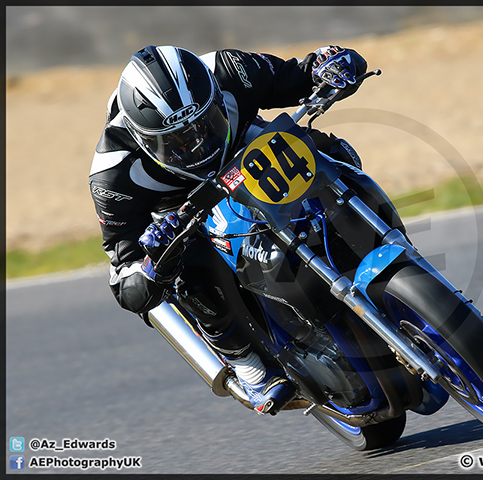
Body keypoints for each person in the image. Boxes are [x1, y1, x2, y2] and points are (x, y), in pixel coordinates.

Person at [88, 44, 366, 415]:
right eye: (174, 142)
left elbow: (297, 76)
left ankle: (388, 248)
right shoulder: (113, 172)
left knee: (330, 152)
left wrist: (328, 64)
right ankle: (248, 365)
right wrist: (152, 261)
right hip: (180, 205)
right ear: (142, 140)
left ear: (216, 99)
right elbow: (123, 272)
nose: (195, 144)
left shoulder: (230, 69)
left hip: (242, 151)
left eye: (204, 125)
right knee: (186, 268)